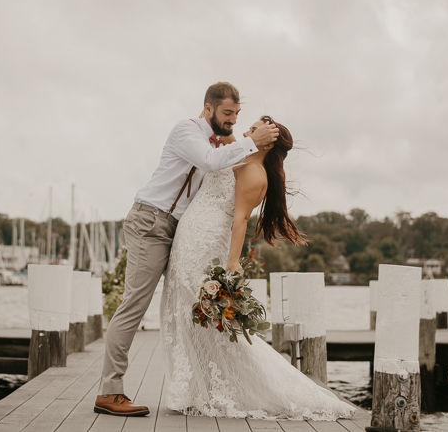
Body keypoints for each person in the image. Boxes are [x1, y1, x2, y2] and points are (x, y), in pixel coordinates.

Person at [95, 82, 279, 417]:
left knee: (192, 308)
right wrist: (253, 140)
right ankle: (110, 391)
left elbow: (242, 163)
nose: (232, 121)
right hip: (150, 221)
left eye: (237, 115)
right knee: (135, 304)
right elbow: (210, 162)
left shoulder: (221, 140)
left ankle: (205, 387)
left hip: (176, 230)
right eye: (227, 113)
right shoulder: (187, 131)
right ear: (208, 108)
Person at [159, 116, 357, 421]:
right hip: (188, 236)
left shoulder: (255, 174)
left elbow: (240, 220)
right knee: (184, 310)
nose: (246, 132)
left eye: (253, 130)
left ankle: (229, 389)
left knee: (209, 318)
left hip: (207, 242)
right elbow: (215, 139)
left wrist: (231, 264)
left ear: (267, 141)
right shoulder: (239, 153)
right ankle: (195, 388)